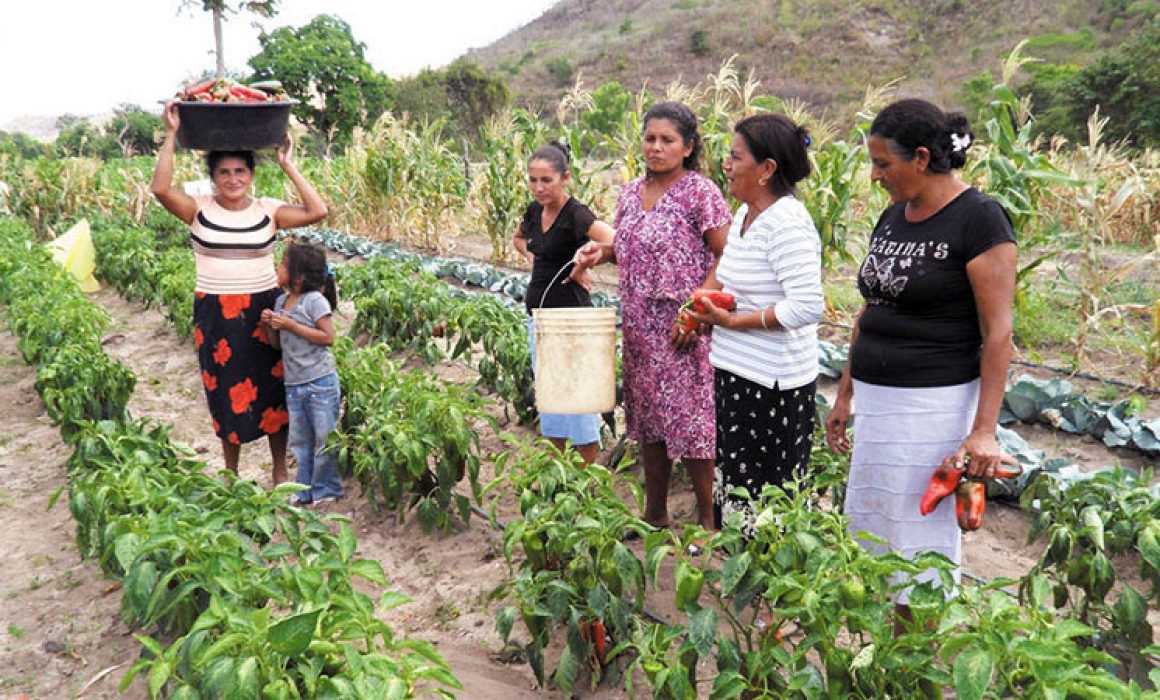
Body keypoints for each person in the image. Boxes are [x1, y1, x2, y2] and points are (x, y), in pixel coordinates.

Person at [823, 99, 1016, 622]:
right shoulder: (892, 217)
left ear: (923, 158)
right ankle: (889, 655)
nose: (874, 175)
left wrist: (983, 433)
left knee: (919, 543)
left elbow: (998, 334)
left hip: (932, 406)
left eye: (883, 164)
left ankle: (917, 662)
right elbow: (870, 309)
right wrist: (845, 395)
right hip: (880, 403)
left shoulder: (979, 219)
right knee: (875, 527)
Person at [150, 101, 329, 482]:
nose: (233, 179)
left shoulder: (268, 210)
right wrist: (171, 135)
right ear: (213, 177)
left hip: (264, 310)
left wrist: (288, 164)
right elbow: (160, 188)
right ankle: (231, 473)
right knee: (223, 392)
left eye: (240, 171)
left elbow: (318, 210)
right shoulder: (197, 209)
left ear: (250, 174)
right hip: (215, 312)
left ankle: (279, 472)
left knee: (272, 390)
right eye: (224, 172)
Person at [575, 101, 732, 531]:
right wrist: (600, 252)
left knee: (696, 424)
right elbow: (628, 249)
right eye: (650, 138)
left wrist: (697, 312)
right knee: (649, 423)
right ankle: (654, 515)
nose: (656, 148)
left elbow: (727, 256)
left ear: (688, 147)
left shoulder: (700, 192)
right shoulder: (629, 193)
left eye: (667, 140)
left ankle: (708, 522)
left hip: (685, 328)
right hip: (641, 325)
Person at [685, 114, 824, 532]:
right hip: (737, 372)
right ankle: (741, 568)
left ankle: (769, 583)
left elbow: (806, 307)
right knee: (740, 485)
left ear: (766, 169)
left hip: (773, 385)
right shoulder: (747, 214)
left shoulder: (787, 223)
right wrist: (703, 311)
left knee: (769, 498)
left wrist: (733, 320)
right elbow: (726, 274)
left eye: (735, 157)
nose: (726, 165)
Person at [512, 140, 615, 465]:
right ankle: (557, 471)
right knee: (552, 399)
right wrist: (536, 256)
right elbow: (518, 238)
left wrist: (584, 263)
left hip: (572, 320)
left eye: (547, 180)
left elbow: (613, 240)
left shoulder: (576, 214)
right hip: (539, 318)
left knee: (579, 400)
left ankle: (586, 476)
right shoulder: (533, 211)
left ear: (565, 177)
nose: (539, 187)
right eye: (533, 180)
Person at [261, 243, 343, 507]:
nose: (278, 268)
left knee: (324, 440)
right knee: (300, 442)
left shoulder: (315, 301)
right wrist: (271, 326)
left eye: (283, 264)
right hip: (294, 384)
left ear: (298, 276)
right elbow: (276, 345)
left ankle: (325, 490)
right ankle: (304, 490)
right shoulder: (281, 302)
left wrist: (290, 324)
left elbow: (327, 337)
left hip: (319, 382)